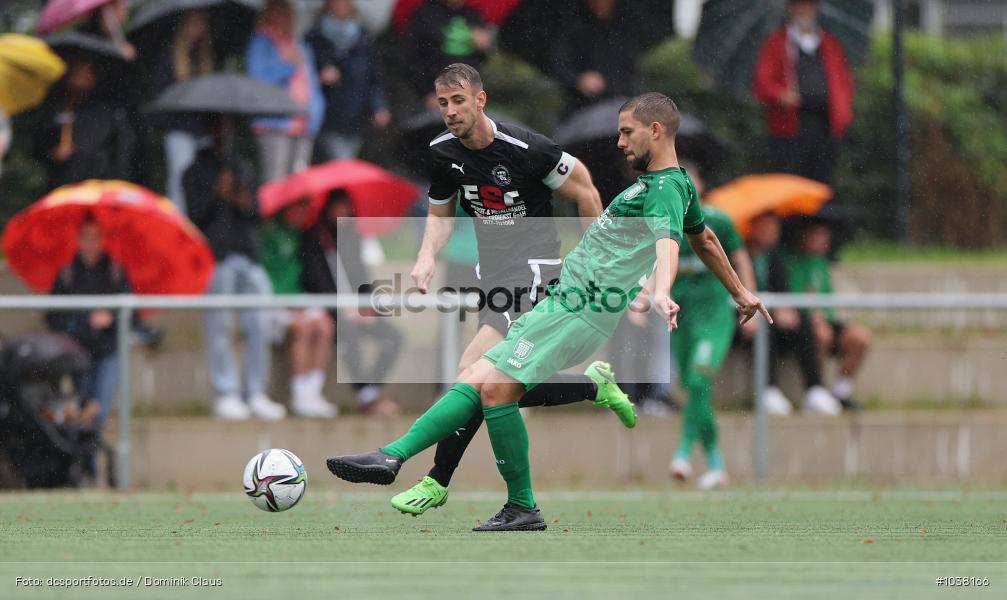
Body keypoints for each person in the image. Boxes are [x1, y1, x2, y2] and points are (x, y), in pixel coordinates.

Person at [327, 92, 770, 531]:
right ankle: (394, 456)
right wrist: (741, 291)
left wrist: (661, 289)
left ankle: (515, 503)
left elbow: (668, 241)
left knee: (496, 389)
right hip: (562, 300)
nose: (619, 142)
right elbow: (705, 240)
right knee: (482, 378)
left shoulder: (667, 187)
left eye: (627, 132)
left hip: (582, 308)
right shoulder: (669, 185)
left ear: (656, 131)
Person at [377, 63, 634, 517]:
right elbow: (440, 215)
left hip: (534, 273)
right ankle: (592, 387)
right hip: (492, 278)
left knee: (472, 373)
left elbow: (587, 191)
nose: (451, 112)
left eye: (459, 101)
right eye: (442, 104)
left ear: (481, 99)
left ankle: (436, 481)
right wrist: (424, 257)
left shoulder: (528, 149)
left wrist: (595, 257)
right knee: (497, 384)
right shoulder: (442, 151)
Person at [649, 161, 757, 489]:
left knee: (698, 379)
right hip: (681, 317)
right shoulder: (666, 225)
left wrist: (746, 295)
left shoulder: (719, 221)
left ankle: (682, 452)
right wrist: (645, 297)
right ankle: (715, 463)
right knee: (697, 389)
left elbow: (739, 257)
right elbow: (654, 263)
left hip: (714, 318)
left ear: (700, 186)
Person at [184, 119, 286, 421]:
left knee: (259, 325)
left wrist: (242, 199)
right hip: (216, 256)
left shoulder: (243, 165)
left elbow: (256, 213)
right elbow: (194, 217)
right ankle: (226, 393)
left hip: (248, 255)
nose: (222, 132)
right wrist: (216, 193)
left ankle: (255, 392)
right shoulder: (194, 171)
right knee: (219, 327)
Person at [302, 190, 404, 416]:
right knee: (347, 332)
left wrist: (368, 306)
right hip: (331, 309)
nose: (343, 212)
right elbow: (315, 280)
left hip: (354, 308)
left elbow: (361, 276)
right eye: (339, 206)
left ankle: (371, 390)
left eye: (347, 206)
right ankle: (365, 394)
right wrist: (342, 309)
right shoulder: (315, 237)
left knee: (394, 337)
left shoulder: (351, 236)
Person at [742, 211, 838, 415]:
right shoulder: (740, 255)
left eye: (775, 228)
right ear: (753, 228)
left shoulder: (775, 257)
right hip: (742, 320)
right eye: (767, 227)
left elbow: (781, 291)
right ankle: (767, 390)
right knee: (762, 326)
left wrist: (784, 310)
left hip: (769, 316)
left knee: (803, 322)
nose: (773, 232)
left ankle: (815, 389)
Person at [752, 0, 854, 185]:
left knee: (821, 184)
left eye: (809, 6)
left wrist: (842, 114)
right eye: (799, 6)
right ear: (791, 9)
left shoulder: (830, 44)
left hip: (825, 127)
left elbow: (843, 84)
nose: (804, 11)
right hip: (792, 128)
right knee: (791, 183)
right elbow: (762, 82)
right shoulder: (777, 42)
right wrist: (781, 94)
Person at [45, 216, 131, 426]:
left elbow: (131, 317)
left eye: (95, 237)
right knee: (82, 409)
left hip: (107, 350)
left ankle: (89, 456)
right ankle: (87, 458)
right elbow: (53, 317)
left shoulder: (115, 273)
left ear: (102, 240)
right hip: (78, 351)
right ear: (78, 239)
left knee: (98, 410)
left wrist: (110, 317)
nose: (91, 243)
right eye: (86, 237)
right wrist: (82, 320)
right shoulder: (67, 275)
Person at [260, 199, 338, 418]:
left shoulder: (302, 235)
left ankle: (312, 391)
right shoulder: (268, 233)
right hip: (274, 302)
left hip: (297, 299)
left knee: (324, 325)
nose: (302, 214)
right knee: (301, 328)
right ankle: (299, 394)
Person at [783, 217, 871, 411]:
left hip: (827, 320)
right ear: (804, 236)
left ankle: (841, 393)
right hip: (806, 324)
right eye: (817, 235)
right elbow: (796, 301)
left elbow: (828, 304)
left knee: (860, 337)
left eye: (824, 235)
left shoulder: (821, 263)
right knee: (822, 334)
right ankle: (816, 391)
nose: (823, 239)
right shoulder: (791, 262)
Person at [246, 0, 325, 183]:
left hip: (303, 123)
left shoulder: (299, 45)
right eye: (276, 12)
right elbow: (259, 80)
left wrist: (315, 114)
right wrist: (288, 66)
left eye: (284, 13)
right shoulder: (260, 43)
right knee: (275, 180)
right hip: (274, 122)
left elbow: (311, 85)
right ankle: (271, 213)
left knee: (298, 183)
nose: (280, 17)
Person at [305, 0, 391, 161]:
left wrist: (379, 106)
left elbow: (373, 78)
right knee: (339, 162)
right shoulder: (314, 38)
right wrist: (319, 76)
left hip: (356, 116)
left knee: (346, 163)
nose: (340, 7)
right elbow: (301, 75)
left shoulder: (364, 39)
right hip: (326, 115)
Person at [151, 9, 216, 214]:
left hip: (202, 132)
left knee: (203, 185)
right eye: (193, 23)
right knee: (179, 183)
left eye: (200, 24)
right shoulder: (169, 55)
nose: (197, 29)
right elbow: (162, 94)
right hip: (179, 129)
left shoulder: (204, 57)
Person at [34, 59, 137, 189]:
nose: (80, 80)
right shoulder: (57, 108)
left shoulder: (108, 109)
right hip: (64, 182)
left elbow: (124, 146)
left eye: (86, 75)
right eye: (76, 74)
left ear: (94, 78)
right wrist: (52, 153)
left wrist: (119, 178)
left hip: (101, 182)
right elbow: (39, 143)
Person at [549, 0, 639, 113]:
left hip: (621, 102)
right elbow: (560, 67)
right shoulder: (573, 29)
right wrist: (579, 80)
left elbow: (630, 71)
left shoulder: (621, 30)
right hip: (583, 109)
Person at [403, 0, 491, 106]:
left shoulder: (473, 15)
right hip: (433, 93)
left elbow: (481, 59)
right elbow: (411, 58)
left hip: (467, 92)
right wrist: (426, 92)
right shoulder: (424, 15)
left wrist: (484, 47)